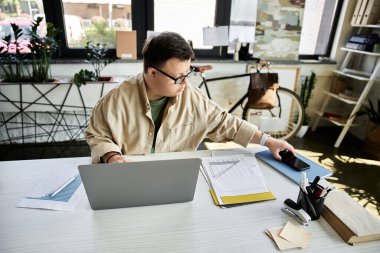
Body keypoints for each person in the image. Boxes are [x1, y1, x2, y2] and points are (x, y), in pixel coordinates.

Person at [85, 32, 295, 164]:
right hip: (129, 179)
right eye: (177, 78)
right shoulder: (115, 100)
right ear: (152, 73)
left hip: (175, 178)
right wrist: (113, 157)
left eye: (187, 74)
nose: (185, 83)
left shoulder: (191, 96)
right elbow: (98, 135)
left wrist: (269, 141)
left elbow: (225, 122)